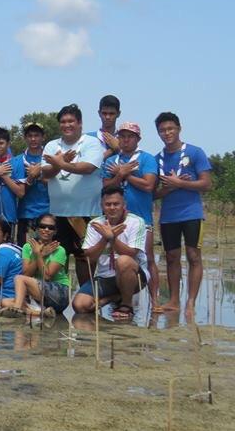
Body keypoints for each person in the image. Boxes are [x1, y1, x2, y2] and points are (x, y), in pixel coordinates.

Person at [154, 112, 212, 314]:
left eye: (170, 128)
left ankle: (191, 303)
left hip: (192, 214)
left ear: (179, 128)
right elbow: (153, 194)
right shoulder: (157, 159)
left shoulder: (195, 152)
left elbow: (206, 184)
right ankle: (173, 301)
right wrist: (168, 188)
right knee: (171, 257)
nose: (167, 133)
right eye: (162, 130)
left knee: (193, 256)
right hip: (168, 216)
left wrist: (180, 183)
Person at [41, 104, 105, 285]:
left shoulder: (92, 143)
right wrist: (59, 163)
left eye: (71, 121)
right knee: (57, 258)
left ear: (80, 123)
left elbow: (88, 167)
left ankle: (86, 295)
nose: (67, 125)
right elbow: (45, 173)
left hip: (86, 213)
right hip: (58, 214)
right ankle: (58, 296)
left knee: (84, 258)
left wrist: (60, 163)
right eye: (63, 122)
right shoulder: (52, 145)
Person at [102, 122, 160, 309]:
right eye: (122, 136)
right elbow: (106, 187)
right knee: (115, 259)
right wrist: (120, 175)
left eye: (130, 136)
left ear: (138, 139)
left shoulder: (147, 159)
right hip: (114, 220)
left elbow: (148, 185)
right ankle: (119, 298)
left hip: (142, 219)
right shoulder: (111, 161)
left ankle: (155, 301)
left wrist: (125, 175)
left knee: (148, 258)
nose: (126, 140)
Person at [73, 186, 149, 320]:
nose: (112, 208)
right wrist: (105, 238)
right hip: (105, 277)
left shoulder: (136, 222)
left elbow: (131, 254)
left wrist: (113, 239)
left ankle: (126, 305)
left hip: (134, 277)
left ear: (124, 205)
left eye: (116, 204)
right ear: (102, 206)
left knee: (123, 260)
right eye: (108, 204)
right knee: (80, 306)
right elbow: (90, 258)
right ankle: (114, 297)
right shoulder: (94, 224)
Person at [0, 213, 70, 321]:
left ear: (55, 231)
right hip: (40, 294)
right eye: (42, 226)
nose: (46, 230)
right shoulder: (28, 247)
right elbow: (27, 274)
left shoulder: (59, 250)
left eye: (50, 227)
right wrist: (39, 254)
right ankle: (41, 313)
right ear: (37, 228)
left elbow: (47, 276)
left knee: (18, 278)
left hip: (59, 293)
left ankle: (16, 309)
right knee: (4, 301)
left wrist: (38, 254)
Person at [14, 122, 49, 246]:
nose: (33, 139)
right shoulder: (17, 161)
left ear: (43, 137)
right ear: (25, 138)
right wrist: (30, 177)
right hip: (26, 213)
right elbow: (19, 192)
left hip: (49, 212)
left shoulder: (50, 158)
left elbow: (58, 185)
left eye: (36, 135)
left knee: (50, 251)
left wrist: (39, 175)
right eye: (30, 136)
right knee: (27, 252)